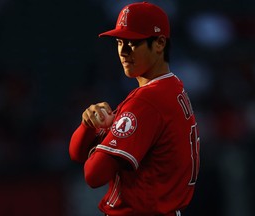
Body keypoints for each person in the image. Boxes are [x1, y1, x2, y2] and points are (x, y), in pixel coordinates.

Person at [69, 2, 200, 215]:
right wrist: (88, 125)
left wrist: (105, 142)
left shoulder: (147, 101)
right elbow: (76, 152)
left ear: (159, 44)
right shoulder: (171, 87)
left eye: (134, 42)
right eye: (120, 42)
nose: (123, 51)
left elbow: (94, 175)